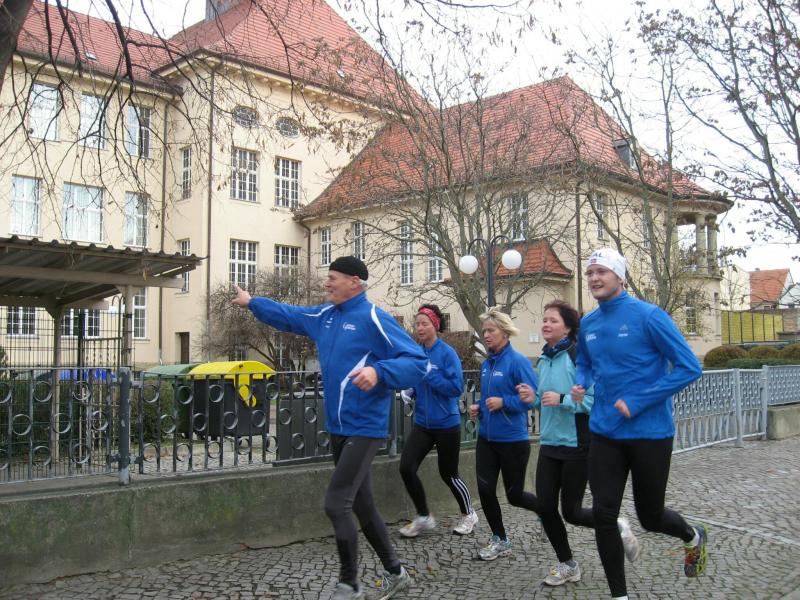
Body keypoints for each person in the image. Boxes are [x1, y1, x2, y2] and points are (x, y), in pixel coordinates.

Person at [232, 256, 427, 600]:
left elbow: (417, 362)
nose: (326, 283)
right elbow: (289, 315)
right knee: (362, 505)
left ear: (354, 282)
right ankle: (396, 573)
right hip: (338, 427)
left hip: (365, 427)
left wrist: (379, 372)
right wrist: (253, 303)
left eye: (333, 278)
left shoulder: (373, 317)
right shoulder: (325, 316)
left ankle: (349, 585)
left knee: (337, 504)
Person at [570, 248, 707, 600]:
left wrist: (638, 401)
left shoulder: (649, 316)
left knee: (650, 517)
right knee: (604, 515)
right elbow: (584, 362)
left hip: (650, 434)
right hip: (605, 432)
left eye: (601, 271)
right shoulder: (589, 324)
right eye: (590, 273)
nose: (594, 278)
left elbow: (690, 367)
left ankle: (692, 536)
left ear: (620, 276)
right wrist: (582, 381)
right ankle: (620, 596)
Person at [517, 300, 640, 588]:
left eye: (553, 320)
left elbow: (594, 400)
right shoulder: (544, 358)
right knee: (545, 506)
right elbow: (543, 399)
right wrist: (532, 399)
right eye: (544, 320)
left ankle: (615, 525)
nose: (546, 324)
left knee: (571, 512)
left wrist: (563, 400)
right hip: (549, 443)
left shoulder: (577, 357)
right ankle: (568, 564)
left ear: (568, 327)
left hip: (577, 445)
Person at [398, 304, 479, 538]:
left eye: (424, 323)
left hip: (446, 424)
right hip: (423, 424)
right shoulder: (417, 352)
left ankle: (469, 514)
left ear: (435, 325)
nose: (420, 328)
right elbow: (418, 378)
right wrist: (411, 390)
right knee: (406, 467)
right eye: (417, 324)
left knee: (449, 474)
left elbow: (455, 388)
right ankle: (424, 516)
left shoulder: (447, 353)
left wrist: (429, 374)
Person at [468, 308, 538, 561]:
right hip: (487, 439)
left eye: (491, 330)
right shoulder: (486, 364)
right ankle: (500, 539)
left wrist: (504, 402)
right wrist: (479, 407)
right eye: (484, 331)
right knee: (485, 490)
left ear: (505, 332)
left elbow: (532, 400)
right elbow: (489, 398)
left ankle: (545, 511)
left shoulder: (518, 362)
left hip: (512, 440)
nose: (486, 335)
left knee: (514, 496)